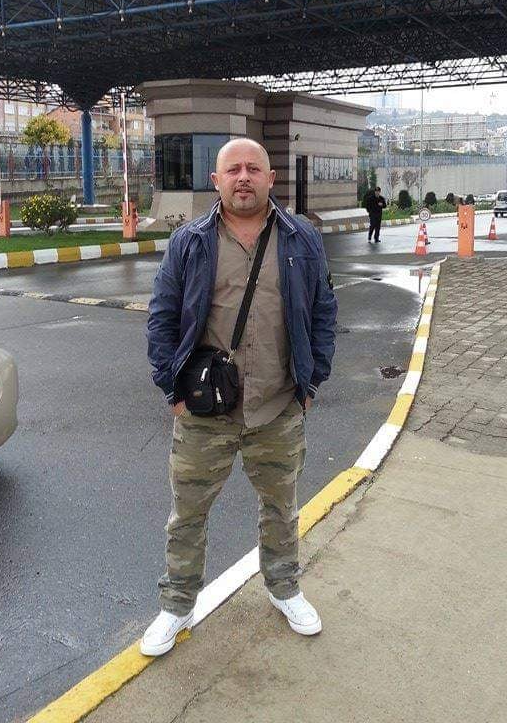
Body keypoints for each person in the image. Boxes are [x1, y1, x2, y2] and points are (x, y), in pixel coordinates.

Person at [143, 137, 337, 656]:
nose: (244, 177)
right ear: (217, 181)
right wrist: (172, 389)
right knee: (188, 513)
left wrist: (311, 383)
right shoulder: (190, 242)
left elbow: (323, 311)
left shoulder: (301, 238)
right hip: (205, 410)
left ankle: (285, 588)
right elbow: (162, 316)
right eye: (233, 170)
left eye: (254, 168)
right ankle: (177, 604)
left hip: (278, 405)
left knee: (281, 507)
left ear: (271, 178)